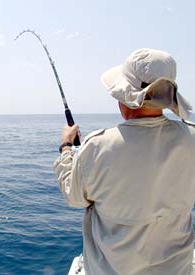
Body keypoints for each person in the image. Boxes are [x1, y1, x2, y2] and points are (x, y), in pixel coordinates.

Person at [54, 48, 195, 275]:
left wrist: (66, 147)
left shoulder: (98, 146)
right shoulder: (191, 138)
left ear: (125, 97)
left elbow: (75, 196)